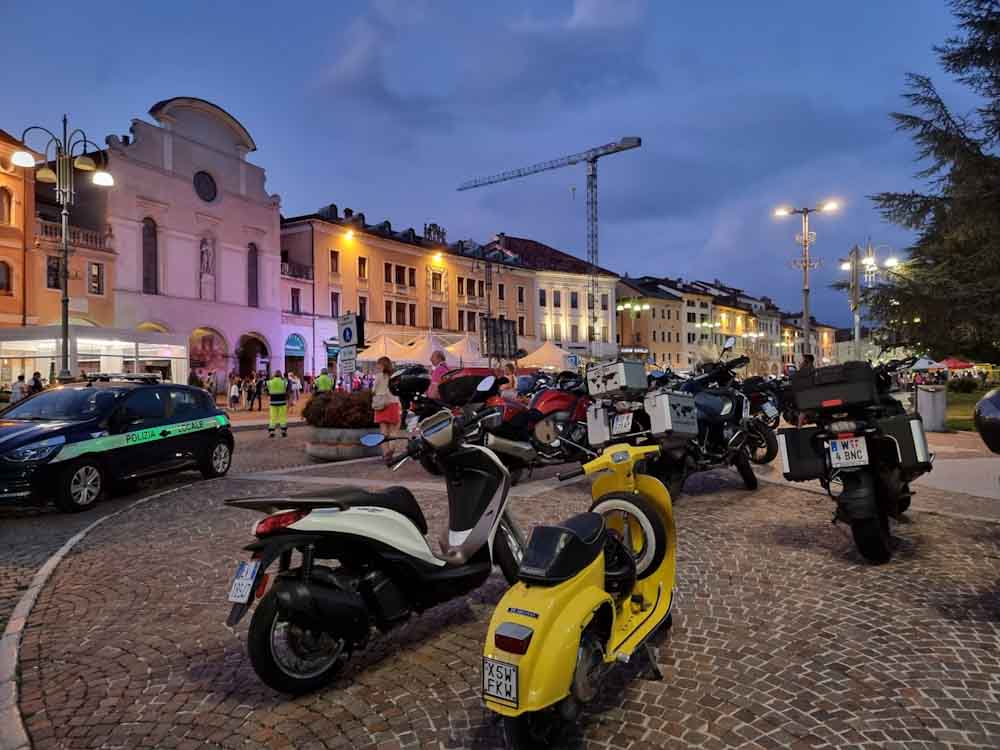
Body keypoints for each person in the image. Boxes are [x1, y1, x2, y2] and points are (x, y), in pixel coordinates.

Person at [372, 357, 401, 461]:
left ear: (382, 365)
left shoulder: (378, 376)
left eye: (378, 364)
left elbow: (373, 390)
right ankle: (392, 449)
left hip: (381, 404)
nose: (376, 366)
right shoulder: (395, 376)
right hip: (393, 403)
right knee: (393, 430)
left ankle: (386, 453)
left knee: (383, 431)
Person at [266, 370, 289, 438]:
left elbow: (266, 391)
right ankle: (283, 431)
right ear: (281, 374)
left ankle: (272, 432)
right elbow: (287, 391)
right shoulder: (284, 382)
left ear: (274, 374)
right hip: (282, 402)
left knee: (273, 417)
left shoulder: (269, 382)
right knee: (282, 417)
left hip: (273, 402)